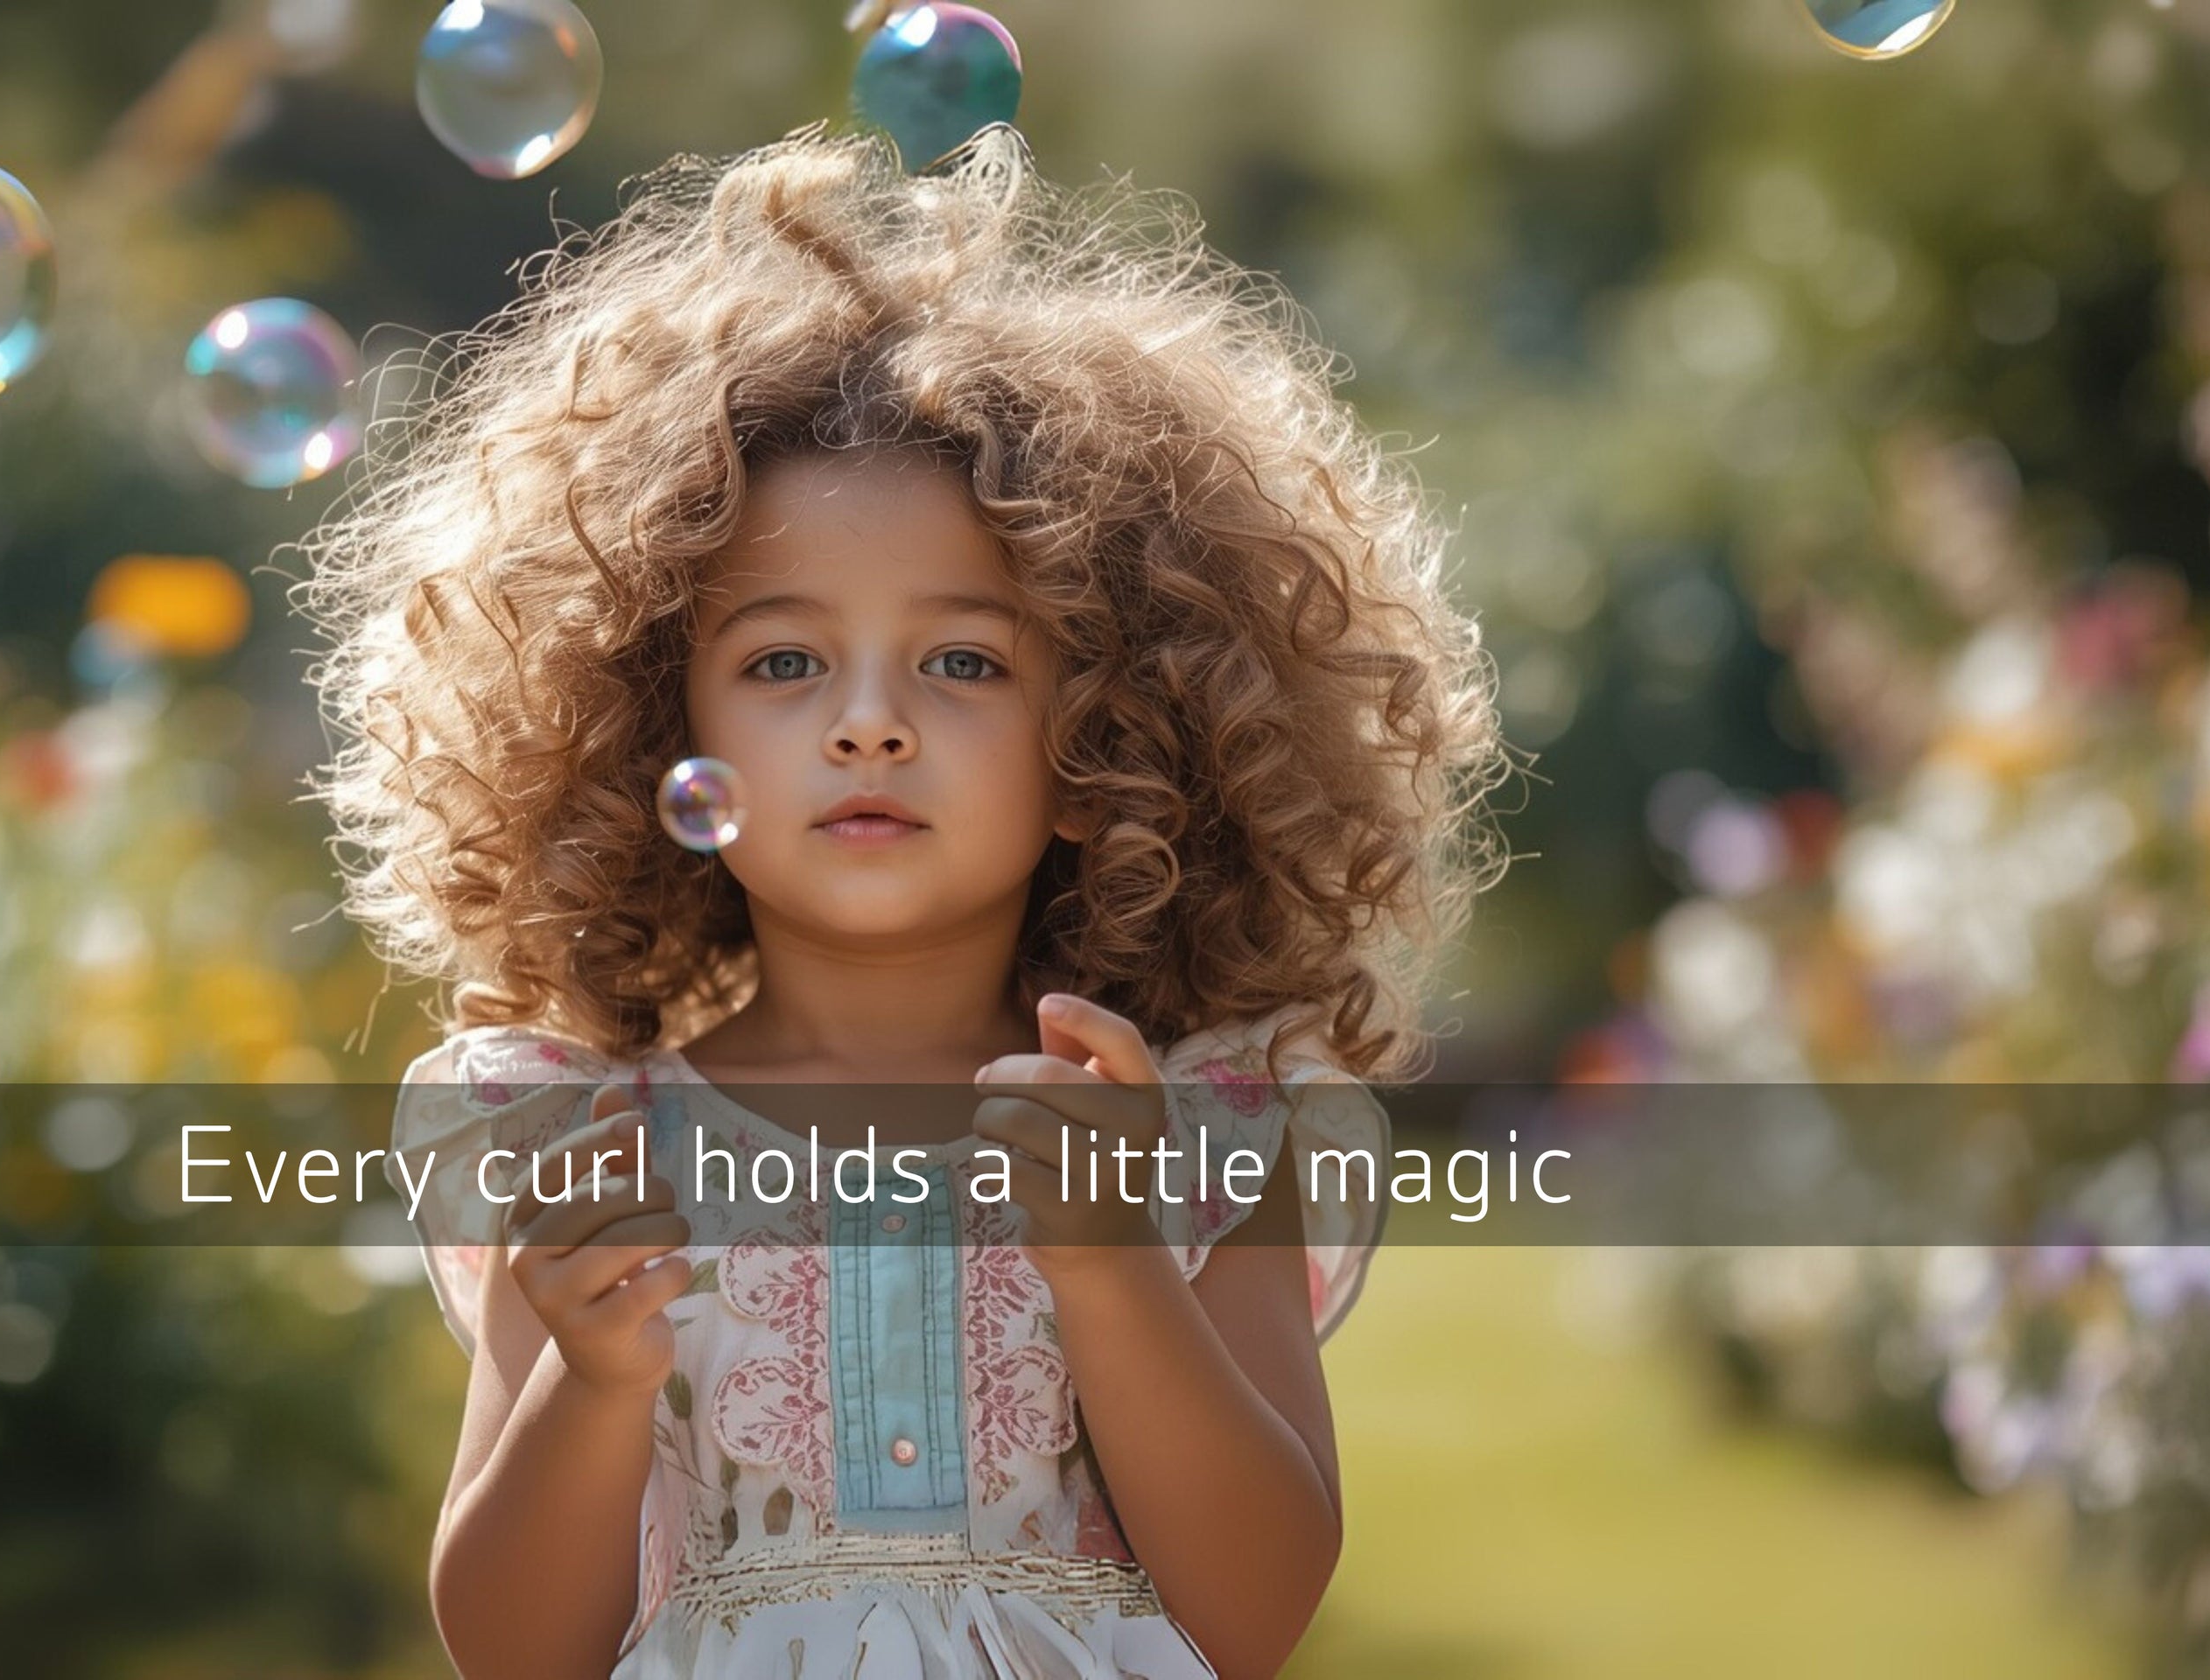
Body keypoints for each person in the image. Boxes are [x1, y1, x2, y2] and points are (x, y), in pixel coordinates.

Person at [301, 121, 1507, 1679]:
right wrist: (588, 1385)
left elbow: (1255, 1616)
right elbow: (519, 1654)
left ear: (1106, 745)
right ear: (656, 738)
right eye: (785, 662)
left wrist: (1116, 1267)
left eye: (964, 663)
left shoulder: (1207, 1130)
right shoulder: (580, 1142)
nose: (868, 724)